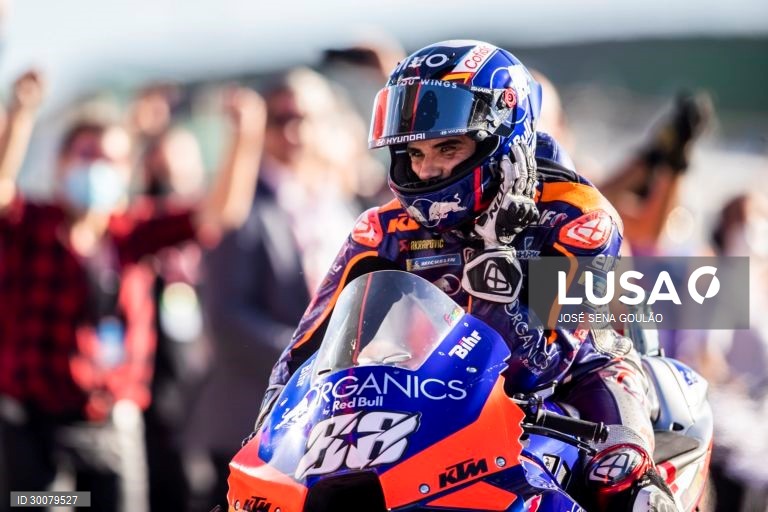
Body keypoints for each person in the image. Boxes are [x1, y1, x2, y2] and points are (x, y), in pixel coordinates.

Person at [257, 40, 675, 512]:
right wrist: (268, 446)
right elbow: (303, 356)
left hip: (575, 381)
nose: (427, 168)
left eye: (447, 147)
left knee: (623, 478)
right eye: (413, 152)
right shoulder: (383, 228)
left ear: (503, 139)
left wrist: (496, 251)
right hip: (433, 397)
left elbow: (538, 364)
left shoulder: (577, 215)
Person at [0, 85, 264, 512]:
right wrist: (21, 114)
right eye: (87, 156)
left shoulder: (130, 234)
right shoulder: (32, 226)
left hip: (112, 429)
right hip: (36, 431)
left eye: (109, 159)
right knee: (44, 504)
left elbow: (220, 213)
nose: (97, 168)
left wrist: (244, 136)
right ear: (62, 163)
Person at [184, 68, 360, 512]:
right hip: (253, 430)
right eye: (280, 119)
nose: (294, 131)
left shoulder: (339, 204)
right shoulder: (239, 202)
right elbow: (225, 319)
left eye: (304, 117)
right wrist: (319, 365)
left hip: (328, 434)